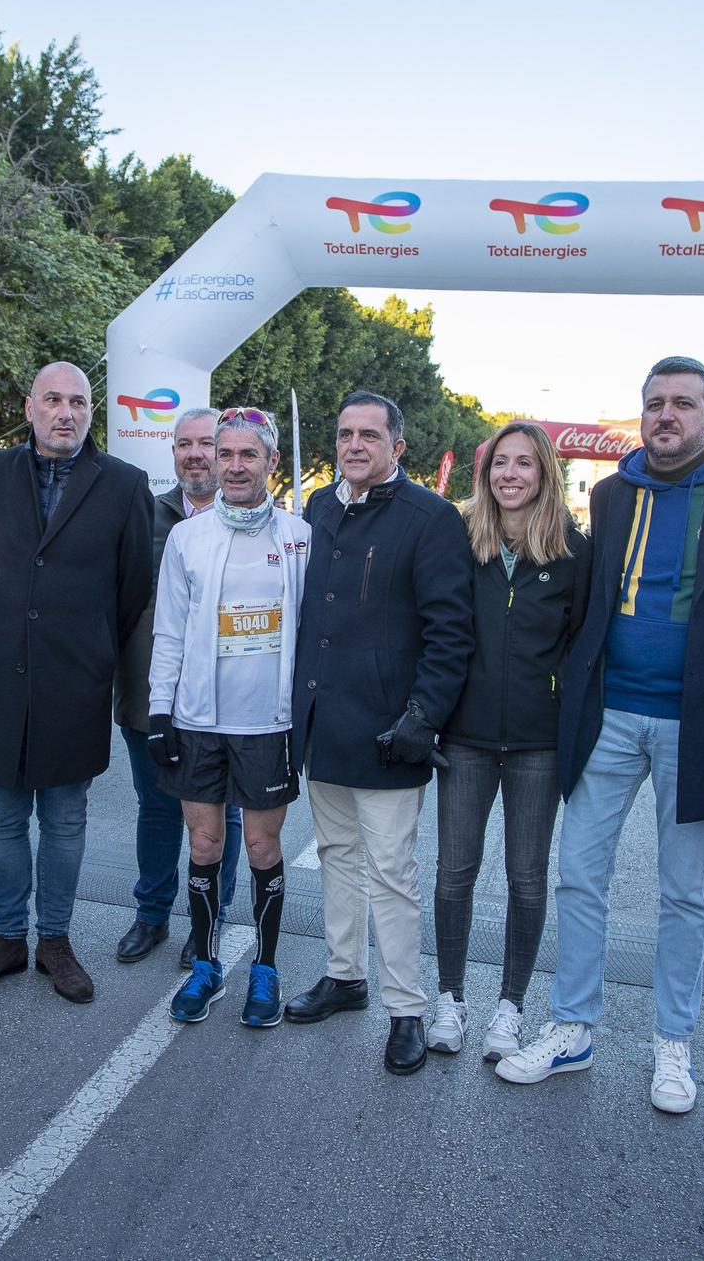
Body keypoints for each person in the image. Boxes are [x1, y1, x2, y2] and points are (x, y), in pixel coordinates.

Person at [499, 356, 704, 1114]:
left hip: (702, 727)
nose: (667, 415)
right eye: (655, 403)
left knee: (683, 892)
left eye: (683, 404)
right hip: (608, 714)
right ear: (642, 415)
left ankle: (673, 1043)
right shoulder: (611, 492)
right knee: (577, 874)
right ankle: (573, 1026)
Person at [0, 361, 154, 1005]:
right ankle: (7, 938)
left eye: (79, 402)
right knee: (2, 818)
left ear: (92, 413)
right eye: (54, 400)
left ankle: (55, 941)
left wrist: (91, 649)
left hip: (76, 680)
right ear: (30, 406)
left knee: (65, 820)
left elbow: (134, 589)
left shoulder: (124, 484)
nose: (66, 412)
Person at [287, 389, 474, 1075]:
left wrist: (421, 718)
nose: (355, 444)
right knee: (335, 853)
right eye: (345, 433)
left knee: (392, 872)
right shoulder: (317, 507)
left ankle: (405, 1008)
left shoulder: (431, 518)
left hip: (391, 730)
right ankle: (345, 975)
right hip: (322, 722)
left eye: (370, 434)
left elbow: (450, 633)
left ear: (398, 445)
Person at [428, 421, 589, 1062]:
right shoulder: (460, 539)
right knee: (453, 875)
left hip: (537, 745)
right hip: (464, 738)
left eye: (524, 463)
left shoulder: (575, 553)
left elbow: (581, 653)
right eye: (500, 463)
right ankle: (450, 999)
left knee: (526, 880)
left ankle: (509, 1007)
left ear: (545, 472)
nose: (511, 475)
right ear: (485, 472)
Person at [147, 407, 310, 1027]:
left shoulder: (299, 538)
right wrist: (160, 711)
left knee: (265, 846)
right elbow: (167, 633)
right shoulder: (188, 538)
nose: (236, 466)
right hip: (198, 722)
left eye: (250, 455)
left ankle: (265, 968)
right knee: (205, 842)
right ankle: (207, 965)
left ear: (271, 462)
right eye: (227, 454)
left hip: (268, 726)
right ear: (213, 461)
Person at [113, 409, 244, 970]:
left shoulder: (253, 520)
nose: (195, 454)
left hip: (229, 699)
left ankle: (210, 919)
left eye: (207, 443)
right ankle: (152, 915)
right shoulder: (142, 514)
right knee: (158, 808)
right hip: (150, 697)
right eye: (183, 444)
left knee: (226, 815)